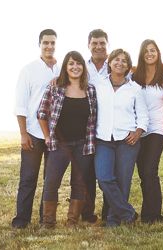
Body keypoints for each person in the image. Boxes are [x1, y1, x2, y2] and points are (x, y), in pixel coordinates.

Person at [37, 51, 97, 228]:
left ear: (83, 67)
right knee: (51, 182)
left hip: (83, 144)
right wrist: (47, 136)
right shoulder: (55, 87)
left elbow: (93, 118)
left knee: (79, 183)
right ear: (65, 67)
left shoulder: (90, 89)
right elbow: (42, 113)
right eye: (71, 64)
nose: (75, 67)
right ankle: (48, 222)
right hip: (59, 144)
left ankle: (72, 221)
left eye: (78, 63)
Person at [93, 48, 148, 227]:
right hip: (103, 139)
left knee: (123, 180)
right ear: (109, 62)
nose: (120, 63)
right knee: (104, 177)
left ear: (128, 66)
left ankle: (113, 219)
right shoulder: (98, 84)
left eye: (124, 61)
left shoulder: (135, 88)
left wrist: (138, 132)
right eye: (116, 59)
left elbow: (143, 115)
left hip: (127, 140)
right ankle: (128, 212)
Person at [12, 29, 60, 229]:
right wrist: (23, 133)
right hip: (33, 132)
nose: (49, 46)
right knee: (28, 178)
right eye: (45, 43)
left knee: (51, 179)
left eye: (52, 43)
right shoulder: (28, 70)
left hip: (56, 134)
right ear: (39, 44)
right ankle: (22, 219)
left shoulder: (61, 69)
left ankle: (46, 218)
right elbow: (20, 104)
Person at [132, 39, 163, 224]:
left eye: (153, 50)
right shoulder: (134, 74)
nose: (149, 53)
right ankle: (149, 213)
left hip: (157, 128)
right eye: (146, 50)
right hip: (138, 129)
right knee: (143, 173)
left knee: (149, 170)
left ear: (158, 52)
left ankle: (153, 215)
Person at [84, 28, 110, 222]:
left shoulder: (118, 64)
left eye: (102, 43)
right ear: (89, 45)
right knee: (87, 172)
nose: (98, 46)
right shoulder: (82, 67)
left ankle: (109, 211)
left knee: (108, 172)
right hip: (86, 127)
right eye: (95, 43)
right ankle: (87, 212)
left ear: (107, 45)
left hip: (110, 127)